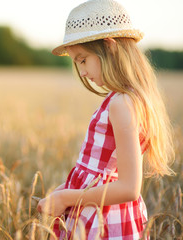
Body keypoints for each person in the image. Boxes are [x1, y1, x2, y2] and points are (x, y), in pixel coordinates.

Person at [37, 0, 175, 239]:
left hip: (105, 220)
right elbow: (97, 171)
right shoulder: (120, 99)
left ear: (109, 47)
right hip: (96, 211)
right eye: (76, 63)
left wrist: (67, 198)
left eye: (83, 59)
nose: (81, 72)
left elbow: (128, 188)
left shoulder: (122, 104)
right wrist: (60, 194)